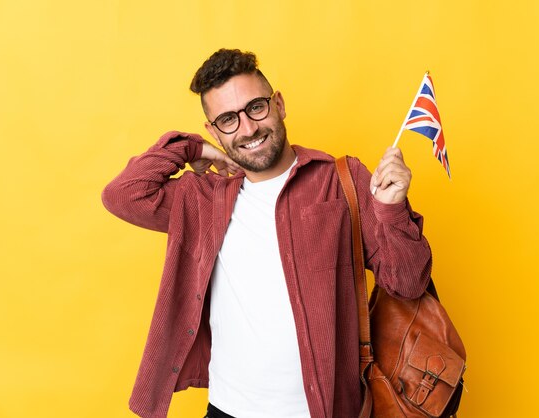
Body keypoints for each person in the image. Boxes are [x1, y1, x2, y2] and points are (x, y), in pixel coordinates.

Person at [102, 48, 432, 418]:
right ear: (214, 131)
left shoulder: (343, 181)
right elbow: (123, 195)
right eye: (228, 119)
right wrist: (191, 148)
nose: (248, 128)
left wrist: (391, 209)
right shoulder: (204, 199)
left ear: (279, 104)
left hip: (326, 410)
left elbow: (409, 282)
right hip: (227, 410)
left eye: (256, 107)